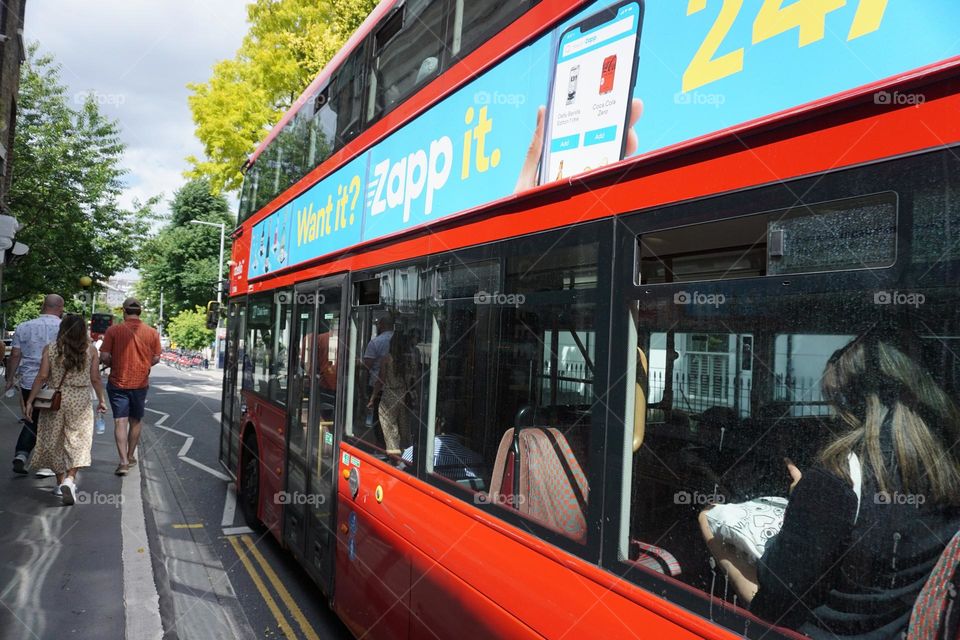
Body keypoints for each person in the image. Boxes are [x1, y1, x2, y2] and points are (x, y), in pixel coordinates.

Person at [700, 333, 960, 638]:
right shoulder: (946, 463)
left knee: (708, 519)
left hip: (822, 631)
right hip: (899, 625)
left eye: (834, 402)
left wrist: (805, 499)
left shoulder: (839, 476)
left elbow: (775, 602)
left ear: (853, 403)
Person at [24, 314, 106, 504]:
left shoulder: (51, 349)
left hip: (55, 399)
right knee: (78, 441)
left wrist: (30, 400)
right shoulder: (91, 350)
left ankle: (60, 483)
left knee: (54, 440)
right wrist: (101, 400)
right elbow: (95, 378)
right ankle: (70, 480)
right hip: (80, 400)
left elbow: (42, 376)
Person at [99, 298, 161, 476]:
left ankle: (123, 462)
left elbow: (104, 356)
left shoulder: (114, 330)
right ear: (139, 312)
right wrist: (145, 365)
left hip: (118, 381)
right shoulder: (152, 332)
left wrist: (113, 362)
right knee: (136, 420)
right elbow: (156, 357)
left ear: (124, 311)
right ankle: (130, 455)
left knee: (120, 421)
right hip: (140, 383)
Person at [4, 294, 64, 475]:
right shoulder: (64, 328)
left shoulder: (24, 326)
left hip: (29, 381)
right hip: (55, 382)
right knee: (50, 422)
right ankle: (45, 465)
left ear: (43, 306)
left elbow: (15, 355)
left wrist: (10, 378)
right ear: (60, 307)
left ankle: (22, 454)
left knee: (32, 419)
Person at [371, 328, 415, 454]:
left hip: (390, 396)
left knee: (390, 430)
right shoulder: (410, 359)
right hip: (404, 395)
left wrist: (372, 398)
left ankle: (395, 460)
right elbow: (414, 377)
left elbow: (381, 380)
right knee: (405, 429)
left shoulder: (387, 359)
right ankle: (408, 457)